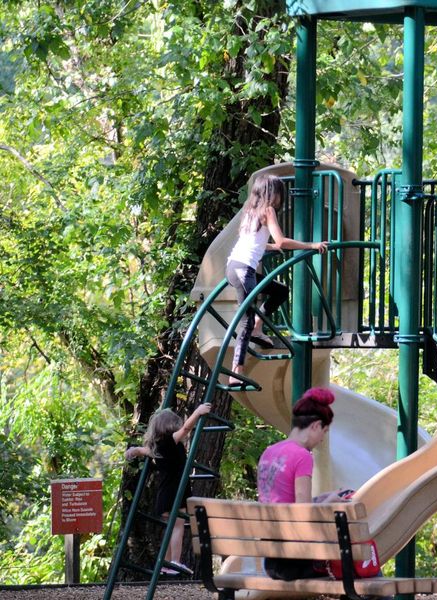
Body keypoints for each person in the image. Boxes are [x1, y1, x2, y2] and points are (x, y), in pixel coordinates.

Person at [226, 173, 328, 388]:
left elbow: (256, 242)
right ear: (272, 194)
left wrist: (270, 247)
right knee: (244, 319)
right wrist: (311, 245)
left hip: (234, 266)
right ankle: (236, 371)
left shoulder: (249, 210)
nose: (281, 198)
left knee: (280, 290)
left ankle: (258, 326)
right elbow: (281, 241)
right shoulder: (268, 210)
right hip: (244, 270)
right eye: (280, 193)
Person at [257, 387, 350, 580]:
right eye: (324, 431)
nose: (323, 438)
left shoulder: (269, 451)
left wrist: (320, 499)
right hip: (295, 561)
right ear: (315, 425)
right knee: (356, 566)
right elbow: (303, 513)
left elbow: (282, 502)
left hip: (271, 560)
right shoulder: (302, 455)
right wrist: (331, 502)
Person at [125, 402, 212, 575]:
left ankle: (165, 564)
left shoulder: (156, 446)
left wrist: (132, 451)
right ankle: (175, 562)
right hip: (174, 493)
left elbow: (142, 450)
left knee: (170, 528)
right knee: (178, 526)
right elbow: (187, 428)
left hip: (165, 494)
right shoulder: (170, 441)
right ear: (170, 426)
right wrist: (198, 412)